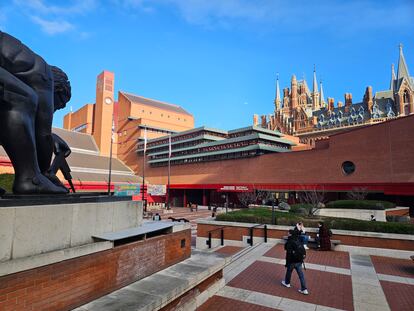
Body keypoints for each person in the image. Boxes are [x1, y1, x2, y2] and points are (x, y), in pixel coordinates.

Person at [0, 31, 71, 194]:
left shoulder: (22, 66)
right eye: (56, 106)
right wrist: (46, 173)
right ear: (57, 91)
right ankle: (29, 179)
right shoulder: (43, 74)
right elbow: (42, 132)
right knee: (23, 98)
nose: (52, 110)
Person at [281, 229, 309, 295]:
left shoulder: (290, 241)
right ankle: (304, 289)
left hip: (292, 261)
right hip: (299, 261)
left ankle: (287, 283)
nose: (287, 233)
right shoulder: (298, 239)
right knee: (301, 275)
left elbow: (288, 253)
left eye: (288, 232)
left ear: (290, 234)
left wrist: (287, 263)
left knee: (289, 272)